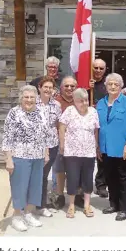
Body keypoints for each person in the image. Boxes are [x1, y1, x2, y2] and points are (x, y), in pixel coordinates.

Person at [2, 85, 49, 232]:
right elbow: (7, 138)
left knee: (35, 186)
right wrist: (8, 159)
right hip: (20, 155)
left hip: (38, 156)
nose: (29, 100)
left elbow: (45, 135)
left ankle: (28, 213)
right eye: (26, 97)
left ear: (36, 98)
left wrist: (46, 152)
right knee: (20, 187)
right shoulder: (14, 113)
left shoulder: (41, 112)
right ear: (21, 99)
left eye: (32, 97)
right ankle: (17, 216)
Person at [97, 73, 126, 221]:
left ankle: (124, 208)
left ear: (121, 87)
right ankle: (113, 204)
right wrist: (98, 147)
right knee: (110, 178)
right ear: (106, 86)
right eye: (110, 84)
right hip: (106, 148)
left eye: (116, 84)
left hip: (123, 148)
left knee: (124, 180)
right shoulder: (101, 103)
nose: (113, 86)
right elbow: (97, 127)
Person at [59, 88, 100, 218]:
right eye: (80, 101)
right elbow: (61, 128)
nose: (84, 103)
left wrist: (96, 145)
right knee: (72, 177)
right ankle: (71, 205)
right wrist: (62, 145)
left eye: (86, 100)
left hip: (88, 151)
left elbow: (95, 131)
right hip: (72, 151)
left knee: (88, 178)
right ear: (75, 101)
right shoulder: (69, 111)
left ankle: (87, 205)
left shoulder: (93, 112)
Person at [36, 76, 61, 217]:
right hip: (35, 145)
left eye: (50, 87)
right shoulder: (33, 103)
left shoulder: (56, 105)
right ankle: (28, 204)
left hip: (52, 144)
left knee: (44, 175)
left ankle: (41, 205)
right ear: (40, 88)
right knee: (34, 174)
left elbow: (58, 124)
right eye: (45, 87)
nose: (47, 89)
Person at [51, 76, 77, 209]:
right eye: (66, 86)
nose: (69, 88)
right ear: (61, 87)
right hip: (59, 141)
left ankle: (77, 194)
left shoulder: (79, 101)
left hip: (76, 142)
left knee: (75, 170)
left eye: (72, 86)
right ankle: (60, 195)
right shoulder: (55, 102)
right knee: (60, 170)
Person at [89, 58, 108, 198]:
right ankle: (83, 185)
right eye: (96, 67)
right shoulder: (86, 82)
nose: (98, 71)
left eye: (101, 68)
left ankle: (101, 185)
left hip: (103, 124)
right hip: (87, 125)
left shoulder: (108, 84)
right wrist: (86, 88)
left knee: (102, 155)